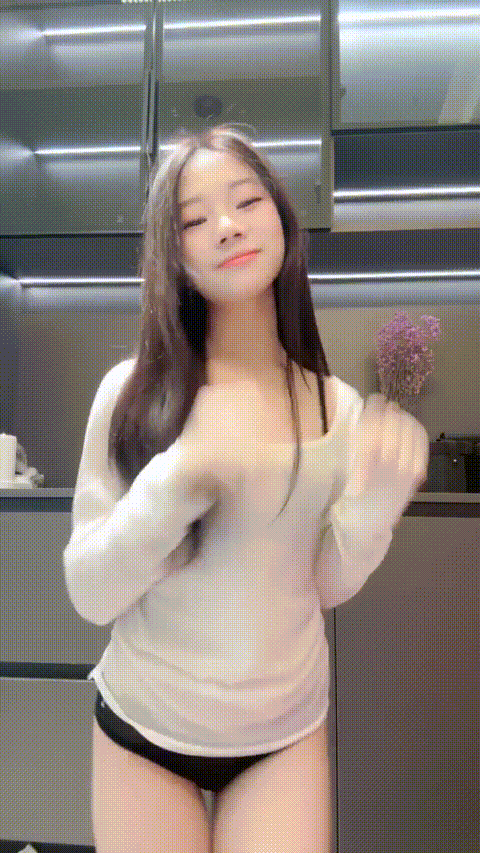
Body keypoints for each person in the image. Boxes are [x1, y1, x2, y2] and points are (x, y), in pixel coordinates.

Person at [63, 124, 430, 853]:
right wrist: (178, 479)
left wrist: (372, 511)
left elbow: (322, 584)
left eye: (246, 201)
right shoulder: (131, 394)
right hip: (144, 724)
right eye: (194, 220)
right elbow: (90, 592)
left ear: (283, 218)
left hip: (283, 734)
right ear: (173, 254)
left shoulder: (336, 407)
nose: (227, 227)